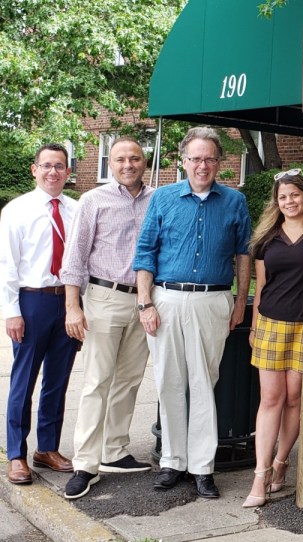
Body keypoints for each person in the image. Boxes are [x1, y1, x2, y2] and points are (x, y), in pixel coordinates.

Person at [133, 126, 252, 498]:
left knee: (204, 384)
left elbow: (244, 255)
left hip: (213, 301)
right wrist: (145, 303)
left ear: (220, 163)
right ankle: (172, 461)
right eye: (196, 158)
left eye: (210, 158)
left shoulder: (234, 202)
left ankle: (202, 467)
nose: (203, 165)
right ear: (183, 161)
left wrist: (240, 300)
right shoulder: (164, 199)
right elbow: (145, 252)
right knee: (169, 381)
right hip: (165, 299)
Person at [59, 137, 155, 499]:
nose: (128, 164)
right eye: (119, 159)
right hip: (103, 297)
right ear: (109, 163)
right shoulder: (93, 200)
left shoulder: (155, 200)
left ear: (144, 162)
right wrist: (73, 306)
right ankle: (85, 462)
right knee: (97, 381)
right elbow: (74, 258)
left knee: (129, 380)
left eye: (134, 158)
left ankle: (115, 451)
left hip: (144, 301)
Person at [0, 143, 81, 484]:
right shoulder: (17, 210)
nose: (53, 171)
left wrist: (79, 305)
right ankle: (16, 453)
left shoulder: (76, 209)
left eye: (59, 166)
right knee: (24, 379)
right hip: (32, 302)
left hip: (68, 301)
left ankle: (46, 448)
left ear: (67, 171)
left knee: (58, 381)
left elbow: (81, 261)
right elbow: (7, 264)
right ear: (34, 170)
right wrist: (11, 312)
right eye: (46, 165)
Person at [242, 169, 303, 508]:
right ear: (277, 202)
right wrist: (254, 327)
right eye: (283, 197)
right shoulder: (267, 238)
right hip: (270, 323)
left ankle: (282, 460)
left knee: (295, 397)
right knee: (271, 398)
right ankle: (260, 473)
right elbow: (262, 286)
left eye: (294, 194)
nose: (289, 201)